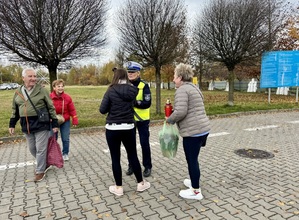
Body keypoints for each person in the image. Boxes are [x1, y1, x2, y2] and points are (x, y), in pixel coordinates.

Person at [99, 68, 150, 196]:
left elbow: (102, 110)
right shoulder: (133, 90)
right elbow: (132, 104)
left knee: (115, 158)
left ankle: (118, 187)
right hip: (128, 127)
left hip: (112, 128)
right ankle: (140, 183)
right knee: (133, 155)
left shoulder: (110, 90)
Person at [166, 63, 210, 200]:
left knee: (192, 161)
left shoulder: (182, 90)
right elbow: (191, 107)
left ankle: (196, 191)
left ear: (180, 77)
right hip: (203, 129)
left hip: (193, 132)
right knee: (193, 159)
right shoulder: (194, 88)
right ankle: (193, 180)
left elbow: (181, 111)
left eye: (174, 76)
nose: (173, 79)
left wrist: (169, 119)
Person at [8, 68, 59, 182]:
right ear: (23, 78)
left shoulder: (42, 90)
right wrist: (12, 124)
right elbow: (14, 110)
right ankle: (45, 162)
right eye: (30, 76)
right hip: (26, 125)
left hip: (41, 124)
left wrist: (54, 123)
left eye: (34, 76)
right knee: (32, 148)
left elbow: (51, 107)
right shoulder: (17, 92)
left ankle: (40, 171)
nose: (33, 78)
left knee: (41, 149)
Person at [125, 61, 152, 177]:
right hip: (129, 119)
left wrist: (134, 102)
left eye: (132, 72)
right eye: (129, 72)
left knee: (144, 143)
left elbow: (147, 103)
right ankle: (131, 165)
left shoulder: (143, 85)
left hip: (142, 120)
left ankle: (147, 166)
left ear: (138, 73)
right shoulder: (125, 85)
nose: (130, 74)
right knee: (130, 144)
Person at [50, 79, 78, 161]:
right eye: (58, 86)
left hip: (65, 120)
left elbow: (72, 109)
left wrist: (75, 119)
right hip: (53, 121)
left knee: (65, 138)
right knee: (53, 138)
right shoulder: (49, 97)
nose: (61, 88)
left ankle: (65, 153)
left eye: (62, 86)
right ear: (54, 87)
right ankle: (54, 154)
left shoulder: (67, 98)